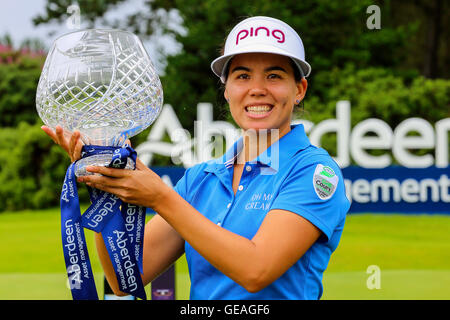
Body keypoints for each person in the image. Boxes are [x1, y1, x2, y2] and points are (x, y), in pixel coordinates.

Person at [42, 16, 350, 300]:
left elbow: (256, 271)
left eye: (274, 75)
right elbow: (126, 277)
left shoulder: (315, 172)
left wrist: (161, 198)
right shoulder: (202, 178)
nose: (257, 89)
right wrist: (106, 182)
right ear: (227, 90)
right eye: (242, 76)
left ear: (299, 89)